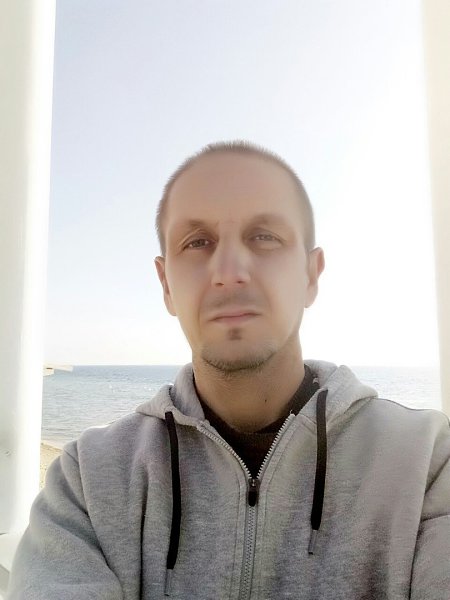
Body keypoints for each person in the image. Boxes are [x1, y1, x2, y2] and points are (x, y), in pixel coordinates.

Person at [7, 140, 450, 599]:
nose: (229, 270)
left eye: (264, 237)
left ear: (311, 275)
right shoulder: (88, 480)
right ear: (166, 284)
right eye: (197, 242)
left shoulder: (425, 464)